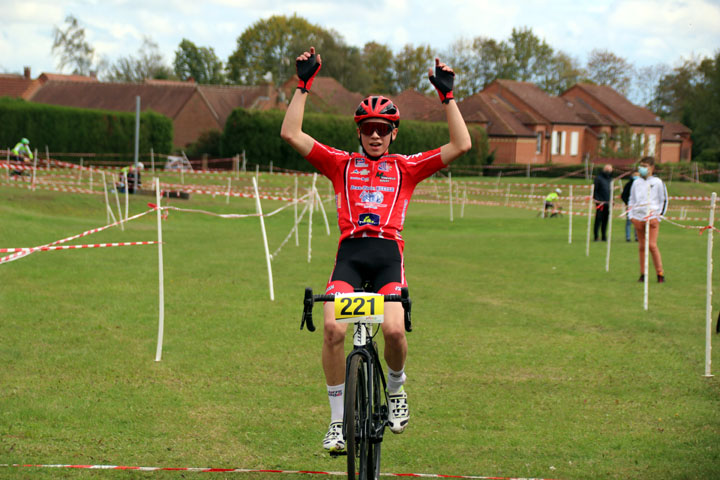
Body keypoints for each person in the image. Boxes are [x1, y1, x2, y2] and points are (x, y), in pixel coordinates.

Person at [281, 46, 471, 454]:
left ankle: (398, 389)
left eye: (383, 128)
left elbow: (461, 145)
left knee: (395, 330)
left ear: (394, 133)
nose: (375, 134)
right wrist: (303, 86)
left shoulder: (406, 167)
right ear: (359, 131)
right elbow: (291, 134)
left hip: (388, 257)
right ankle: (336, 423)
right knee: (332, 329)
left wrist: (448, 98)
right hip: (349, 256)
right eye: (368, 127)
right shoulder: (341, 164)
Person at [628, 157, 668, 283]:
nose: (642, 168)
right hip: (638, 218)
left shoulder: (658, 182)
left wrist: (658, 217)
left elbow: (664, 200)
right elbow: (632, 200)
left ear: (652, 168)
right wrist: (632, 217)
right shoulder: (636, 182)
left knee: (652, 245)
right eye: (640, 166)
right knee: (642, 247)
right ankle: (643, 273)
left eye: (645, 166)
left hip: (652, 218)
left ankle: (660, 273)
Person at [593, 164, 613, 241]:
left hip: (607, 203)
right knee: (598, 219)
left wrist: (612, 200)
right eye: (608, 170)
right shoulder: (598, 178)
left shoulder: (610, 179)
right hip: (600, 203)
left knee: (605, 220)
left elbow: (610, 191)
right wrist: (597, 200)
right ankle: (596, 236)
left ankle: (604, 236)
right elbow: (595, 191)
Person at [621, 171, 639, 242]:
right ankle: (628, 237)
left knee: (637, 221)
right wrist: (627, 203)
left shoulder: (640, 185)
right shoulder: (629, 184)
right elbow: (623, 195)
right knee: (629, 222)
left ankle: (636, 236)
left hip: (638, 206)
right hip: (630, 206)